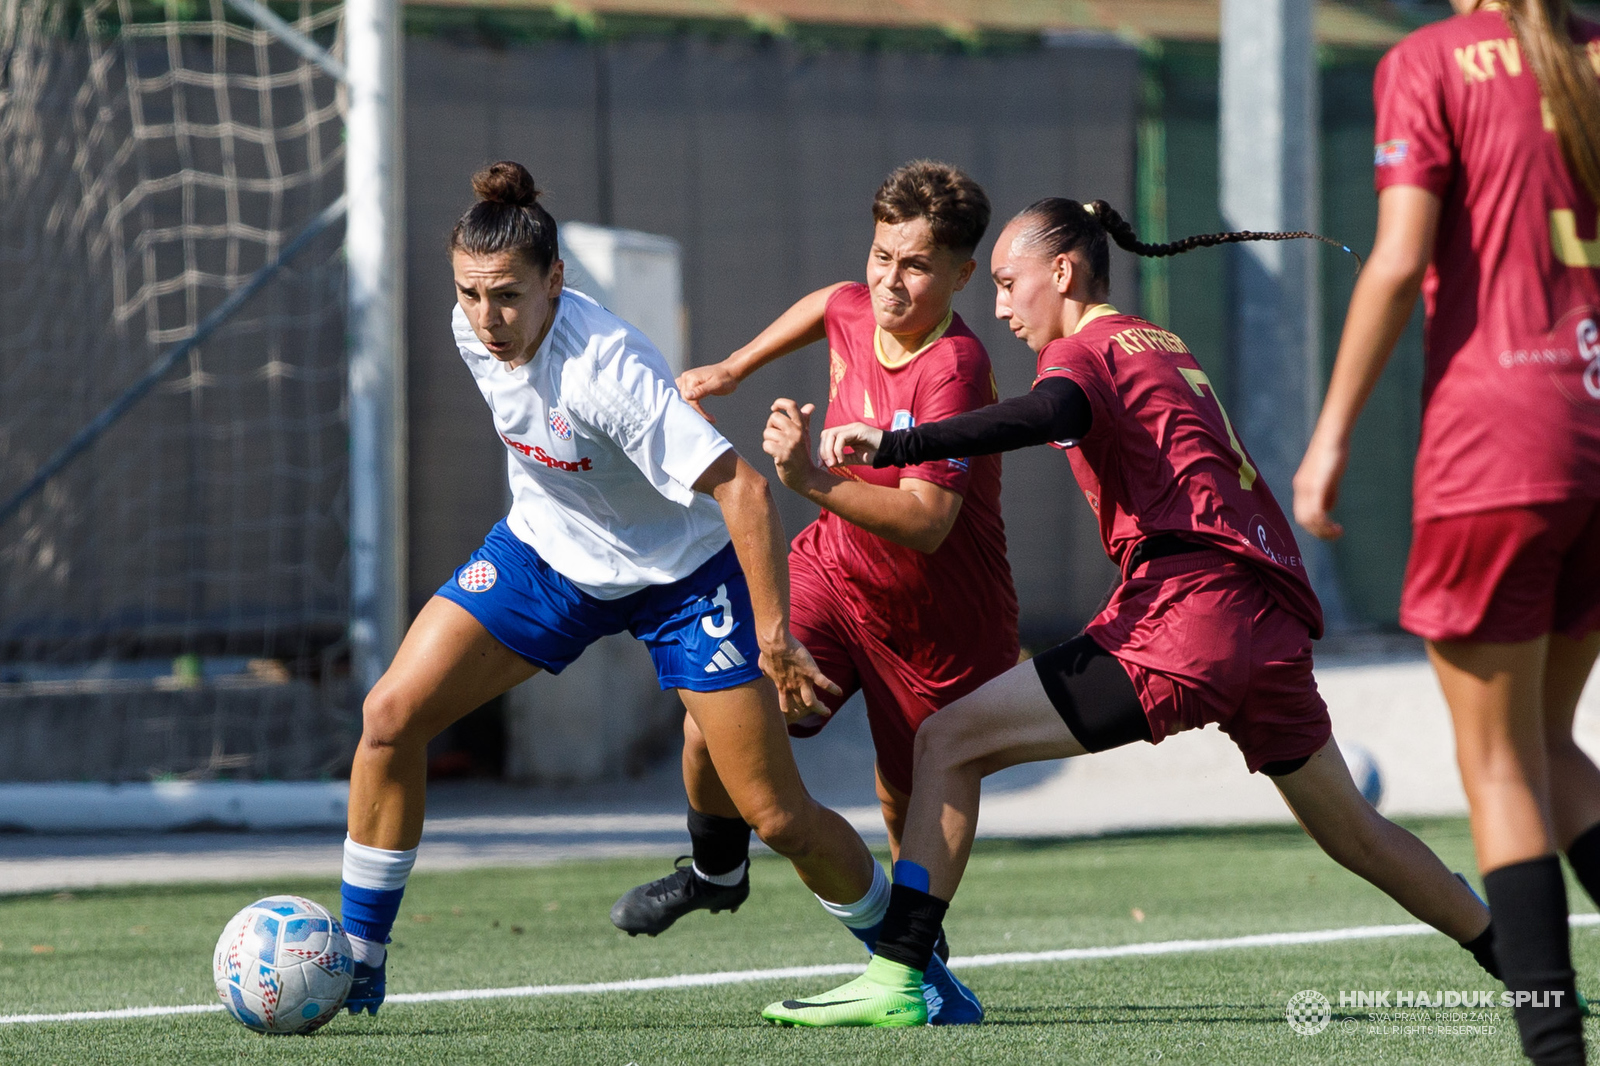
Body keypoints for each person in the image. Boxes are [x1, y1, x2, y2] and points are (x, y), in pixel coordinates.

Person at [758, 198, 1501, 1028]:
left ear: (1064, 273)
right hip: (1267, 621)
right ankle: (1525, 963)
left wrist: (898, 444)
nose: (999, 308)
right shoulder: (1159, 339)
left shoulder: (1085, 349)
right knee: (1355, 832)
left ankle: (900, 976)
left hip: (1189, 616)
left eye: (1009, 284)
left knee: (947, 740)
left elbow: (1052, 413)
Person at [337, 161, 880, 1015]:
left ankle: (916, 964)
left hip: (682, 581)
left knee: (777, 817)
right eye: (471, 294)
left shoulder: (610, 369)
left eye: (508, 297)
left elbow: (743, 486)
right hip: (544, 557)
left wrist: (775, 637)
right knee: (388, 718)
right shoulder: (468, 324)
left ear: (556, 281)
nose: (488, 319)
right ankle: (358, 965)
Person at [610, 161, 1016, 1025]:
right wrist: (732, 367)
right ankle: (716, 870)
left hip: (942, 623)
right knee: (714, 717)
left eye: (914, 266)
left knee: (910, 801)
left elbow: (930, 521)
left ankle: (912, 960)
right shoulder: (856, 303)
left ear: (960, 275)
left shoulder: (957, 368)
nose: (889, 282)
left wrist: (809, 478)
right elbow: (830, 302)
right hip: (833, 575)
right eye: (881, 256)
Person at [1293, 2, 1600, 1062]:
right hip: (1596, 435)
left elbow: (1395, 260)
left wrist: (1326, 437)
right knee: (1550, 745)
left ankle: (1556, 1053)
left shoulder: (1428, 61)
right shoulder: (1589, 53)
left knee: (1501, 765)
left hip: (1499, 445)